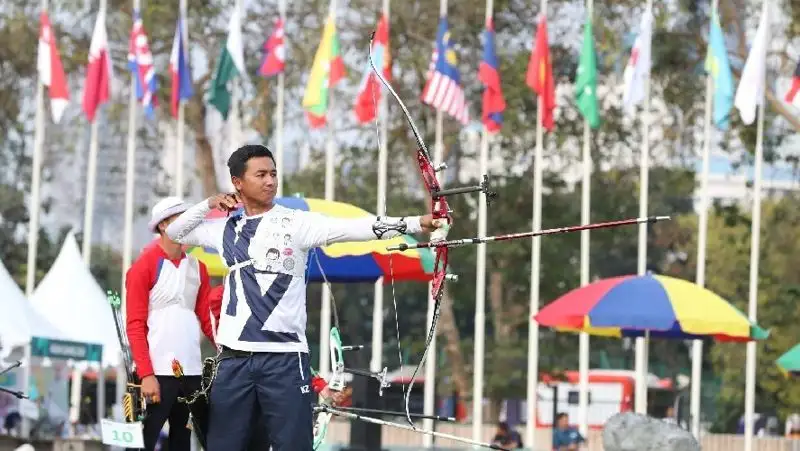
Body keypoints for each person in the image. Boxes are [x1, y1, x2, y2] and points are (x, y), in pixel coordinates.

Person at [165, 144, 445, 451]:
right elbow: (176, 232)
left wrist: (417, 222)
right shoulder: (224, 229)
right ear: (238, 183)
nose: (270, 181)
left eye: (273, 173)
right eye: (260, 175)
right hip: (234, 361)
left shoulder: (297, 223)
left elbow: (357, 228)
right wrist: (208, 204)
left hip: (284, 360)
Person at [125, 196, 218, 451]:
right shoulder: (142, 267)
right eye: (181, 220)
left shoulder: (199, 267)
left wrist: (227, 350)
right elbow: (134, 324)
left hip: (191, 370)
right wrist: (146, 374)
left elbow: (207, 319)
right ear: (164, 225)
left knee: (182, 440)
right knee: (143, 441)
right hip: (156, 372)